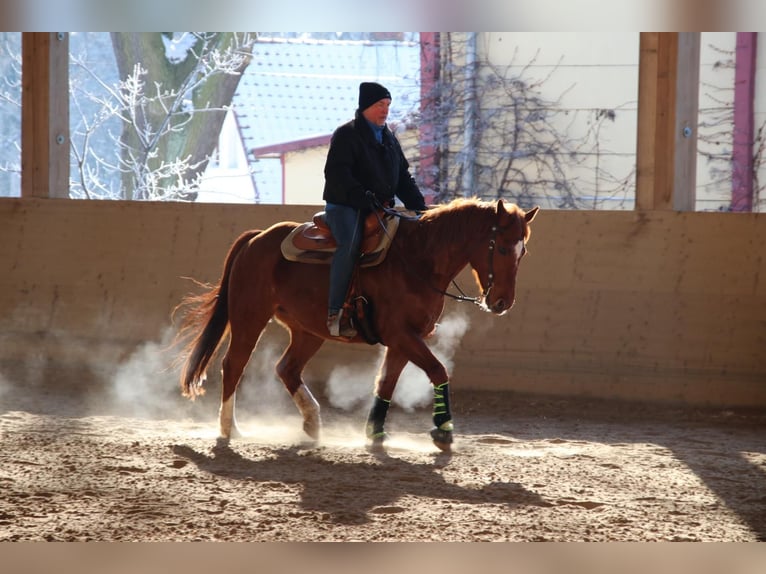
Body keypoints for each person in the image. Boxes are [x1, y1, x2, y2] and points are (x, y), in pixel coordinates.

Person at [322, 81, 428, 338]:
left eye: (388, 105)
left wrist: (422, 210)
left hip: (379, 208)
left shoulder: (389, 138)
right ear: (366, 107)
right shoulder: (346, 134)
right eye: (380, 104)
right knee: (350, 244)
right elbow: (337, 174)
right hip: (345, 206)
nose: (385, 110)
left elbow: (403, 177)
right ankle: (335, 312)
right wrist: (363, 197)